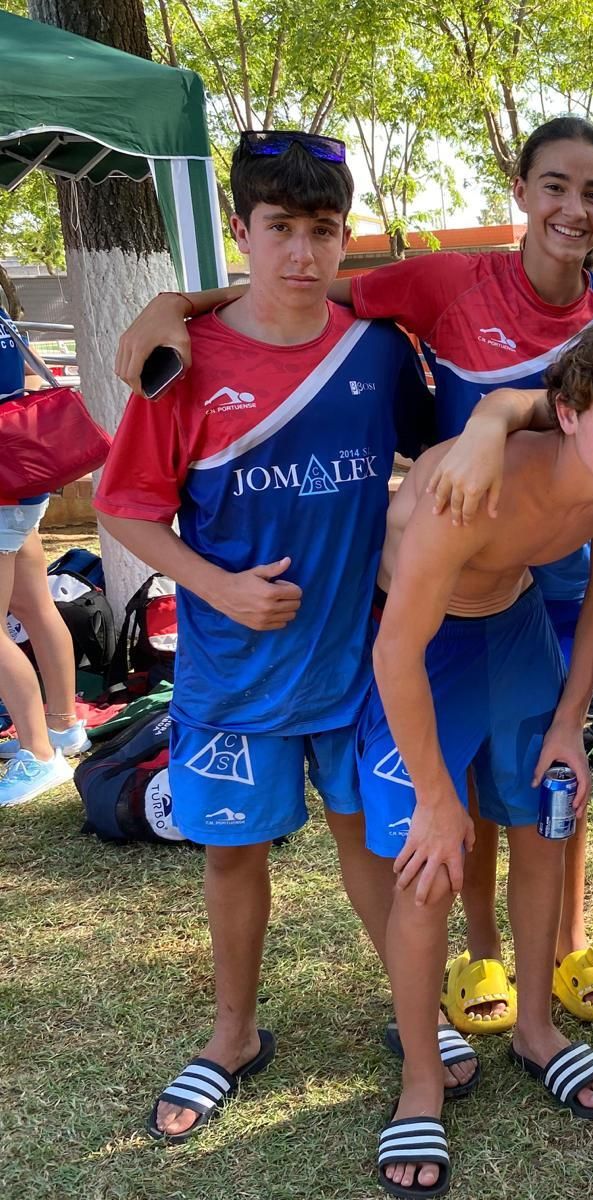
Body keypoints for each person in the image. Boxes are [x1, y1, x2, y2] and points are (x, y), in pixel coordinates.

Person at [112, 116, 593, 1032]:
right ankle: (445, 972)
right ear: (520, 191)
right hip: (384, 612)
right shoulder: (438, 285)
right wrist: (176, 304)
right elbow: (311, 291)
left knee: (531, 788)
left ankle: (550, 958)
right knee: (413, 801)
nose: (573, 207)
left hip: (526, 595)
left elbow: (483, 425)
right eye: (554, 186)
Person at [93, 131, 447, 1143]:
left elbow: (439, 448)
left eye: (322, 230)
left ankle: (414, 1018)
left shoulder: (376, 351)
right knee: (233, 855)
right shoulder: (182, 359)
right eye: (279, 228)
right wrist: (218, 587)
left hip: (359, 666)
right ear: (240, 230)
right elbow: (125, 509)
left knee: (369, 852)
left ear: (346, 238)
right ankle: (233, 1034)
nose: (301, 251)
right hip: (235, 672)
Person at [358, 312, 593, 1197]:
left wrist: (568, 722)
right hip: (423, 645)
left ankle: (537, 1029)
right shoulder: (475, 489)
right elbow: (395, 652)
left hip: (513, 631)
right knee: (428, 861)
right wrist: (438, 798)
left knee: (547, 816)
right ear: (570, 413)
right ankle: (421, 1083)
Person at [0, 305, 87, 805]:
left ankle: (38, 753)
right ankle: (61, 728)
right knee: (34, 605)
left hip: (4, 487)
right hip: (22, 481)